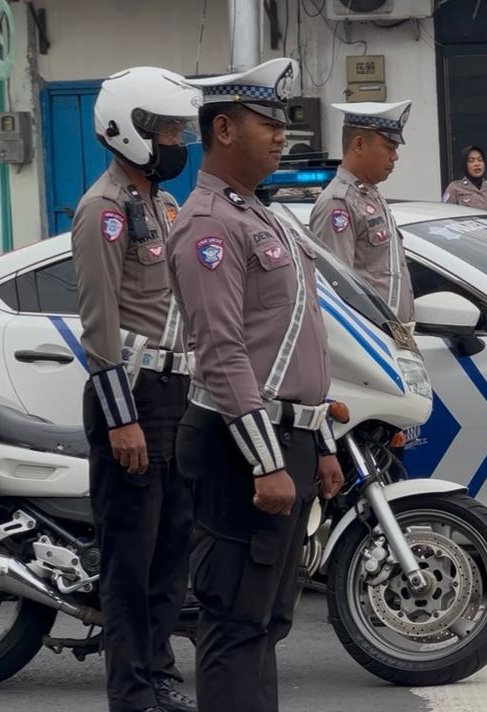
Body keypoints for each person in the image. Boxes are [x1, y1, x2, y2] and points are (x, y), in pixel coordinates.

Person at [169, 57, 346, 712]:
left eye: (281, 122)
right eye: (265, 121)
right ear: (222, 129)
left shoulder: (261, 216)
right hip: (241, 444)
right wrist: (268, 460)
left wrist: (320, 442)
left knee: (267, 622)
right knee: (236, 623)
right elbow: (221, 352)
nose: (280, 134)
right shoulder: (210, 224)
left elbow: (293, 345)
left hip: (285, 439)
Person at [71, 66, 200, 712]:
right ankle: (131, 692)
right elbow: (100, 327)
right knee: (130, 555)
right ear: (132, 130)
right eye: (169, 129)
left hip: (174, 397)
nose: (178, 141)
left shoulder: (157, 203)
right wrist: (121, 419)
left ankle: (159, 673)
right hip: (132, 399)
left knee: (171, 548)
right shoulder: (104, 210)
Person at [308, 100, 415, 322]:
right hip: (371, 341)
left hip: (390, 337)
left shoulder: (369, 195)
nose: (395, 156)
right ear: (358, 145)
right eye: (389, 147)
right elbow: (336, 288)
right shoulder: (338, 203)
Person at [442, 144, 487, 217]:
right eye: (471, 161)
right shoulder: (454, 188)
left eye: (480, 160)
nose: (477, 164)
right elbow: (447, 218)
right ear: (464, 165)